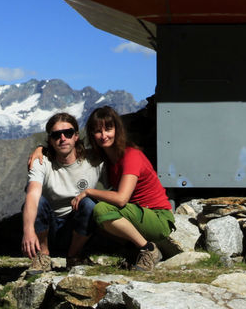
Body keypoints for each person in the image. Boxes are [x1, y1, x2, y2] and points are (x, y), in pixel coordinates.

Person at [71, 105, 174, 272]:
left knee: (102, 210)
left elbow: (121, 199)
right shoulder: (108, 158)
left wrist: (88, 191)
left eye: (108, 129)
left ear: (117, 130)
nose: (104, 135)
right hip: (138, 214)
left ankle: (148, 250)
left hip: (158, 217)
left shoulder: (131, 156)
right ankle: (133, 249)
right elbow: (67, 153)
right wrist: (40, 150)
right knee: (94, 216)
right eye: (98, 131)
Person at [22, 112, 104, 274]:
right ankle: (43, 256)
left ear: (76, 136)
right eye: (56, 135)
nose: (63, 138)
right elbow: (32, 194)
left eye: (68, 133)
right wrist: (28, 230)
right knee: (38, 201)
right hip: (47, 228)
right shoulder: (41, 161)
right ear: (50, 140)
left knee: (89, 203)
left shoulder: (94, 160)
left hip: (77, 228)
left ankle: (73, 257)